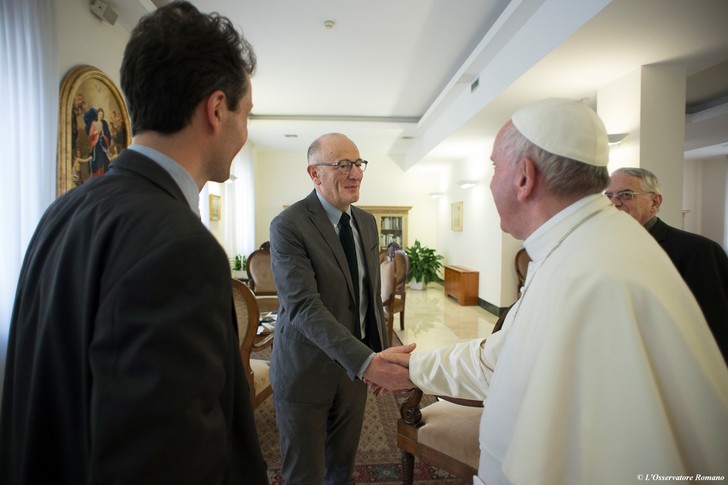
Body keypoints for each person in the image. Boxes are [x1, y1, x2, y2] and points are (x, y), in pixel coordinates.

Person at [382, 98, 728, 485]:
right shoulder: (577, 245)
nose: (491, 181)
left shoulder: (594, 269)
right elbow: (506, 359)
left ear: (524, 177)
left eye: (494, 167)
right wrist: (412, 367)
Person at [0, 2, 268, 484]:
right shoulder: (180, 247)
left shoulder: (60, 213)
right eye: (245, 113)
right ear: (215, 109)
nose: (244, 132)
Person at [269, 132, 414, 484]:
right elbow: (304, 307)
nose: (356, 173)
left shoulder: (366, 222)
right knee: (303, 474)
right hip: (306, 372)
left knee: (342, 470)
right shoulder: (288, 226)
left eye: (358, 164)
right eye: (342, 165)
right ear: (314, 174)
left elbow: (368, 296)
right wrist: (368, 363)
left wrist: (380, 356)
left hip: (353, 374)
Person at [606, 167, 728, 362]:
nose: (614, 202)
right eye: (609, 195)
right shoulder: (603, 248)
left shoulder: (698, 250)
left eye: (626, 195)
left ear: (655, 202)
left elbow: (717, 326)